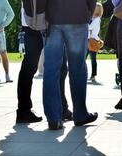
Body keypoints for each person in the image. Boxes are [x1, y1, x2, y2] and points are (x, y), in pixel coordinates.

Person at [44, 0, 98, 130]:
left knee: (51, 70)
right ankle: (80, 115)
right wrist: (88, 13)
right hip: (78, 16)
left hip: (52, 18)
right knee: (78, 69)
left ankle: (53, 118)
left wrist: (43, 16)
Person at [16, 3, 72, 124]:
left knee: (30, 64)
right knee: (59, 65)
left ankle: (23, 110)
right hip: (48, 20)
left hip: (30, 19)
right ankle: (61, 108)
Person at [88, 2, 103, 82]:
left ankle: (93, 75)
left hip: (92, 41)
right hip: (90, 40)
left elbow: (90, 27)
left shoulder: (97, 20)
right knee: (86, 58)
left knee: (93, 59)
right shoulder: (93, 18)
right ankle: (89, 74)